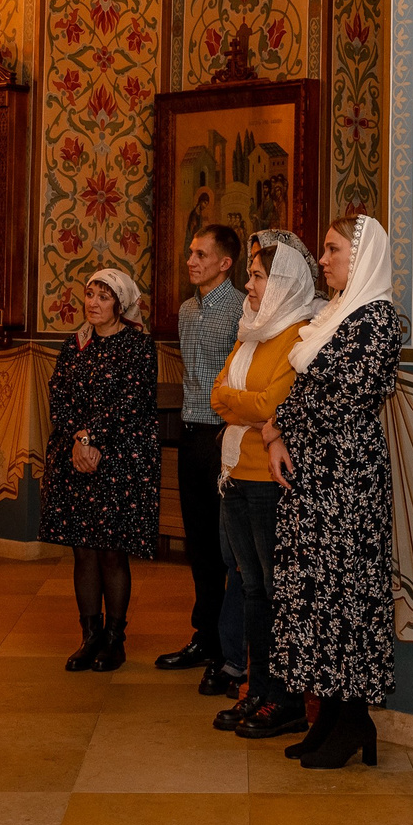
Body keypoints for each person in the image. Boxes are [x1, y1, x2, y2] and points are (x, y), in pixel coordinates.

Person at [267, 214, 407, 769]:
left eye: (332, 250)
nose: (322, 260)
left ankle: (351, 719)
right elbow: (306, 392)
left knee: (345, 593)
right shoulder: (335, 314)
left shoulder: (377, 320)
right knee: (314, 595)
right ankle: (329, 715)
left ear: (363, 254)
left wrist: (280, 424)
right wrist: (279, 429)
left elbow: (339, 400)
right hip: (315, 472)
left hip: (346, 476)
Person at [211, 231, 316, 739]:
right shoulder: (249, 329)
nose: (248, 286)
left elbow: (274, 406)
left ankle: (284, 698)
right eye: (251, 275)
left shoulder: (298, 333)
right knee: (252, 589)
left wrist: (243, 406)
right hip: (236, 474)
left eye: (256, 276)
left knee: (276, 590)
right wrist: (245, 406)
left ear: (282, 282)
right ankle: (257, 690)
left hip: (269, 482)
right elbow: (217, 395)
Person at [43, 269, 158, 671]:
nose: (93, 303)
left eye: (104, 296)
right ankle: (89, 636)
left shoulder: (138, 347)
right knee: (84, 551)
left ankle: (114, 639)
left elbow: (132, 403)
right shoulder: (73, 346)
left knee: (111, 551)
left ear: (121, 304)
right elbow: (58, 400)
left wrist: (92, 439)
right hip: (76, 457)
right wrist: (78, 438)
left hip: (120, 460)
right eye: (90, 294)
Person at [163, 226, 245, 687]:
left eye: (200, 254)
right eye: (190, 252)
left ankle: (229, 645)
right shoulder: (187, 311)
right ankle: (203, 637)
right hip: (191, 435)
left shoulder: (240, 309)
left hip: (224, 436)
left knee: (224, 546)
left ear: (225, 263)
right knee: (197, 543)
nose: (190, 260)